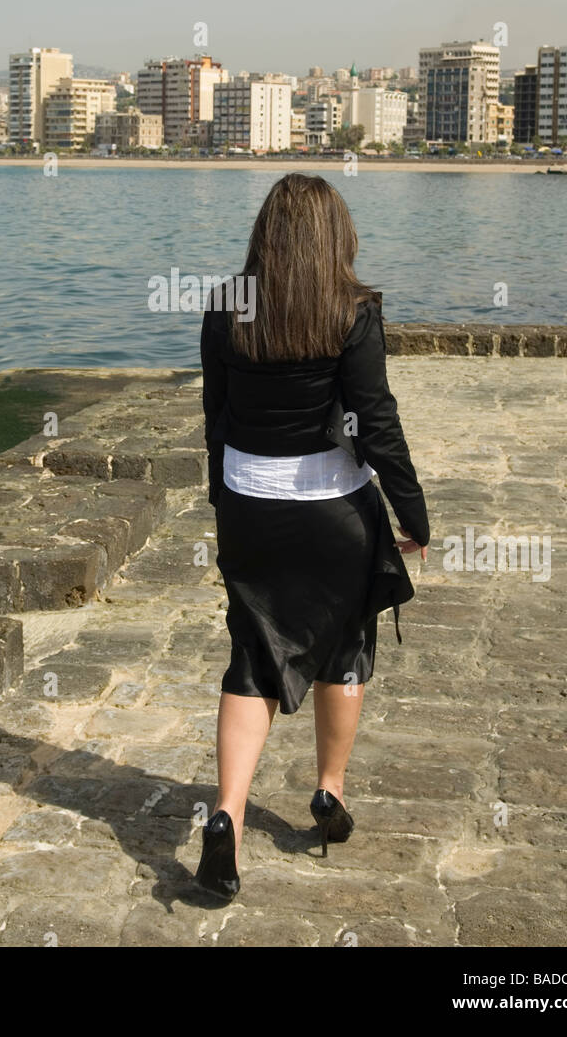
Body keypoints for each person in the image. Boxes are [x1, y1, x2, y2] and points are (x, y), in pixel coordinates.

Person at [195, 173, 429, 899]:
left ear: (265, 232)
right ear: (338, 235)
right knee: (345, 644)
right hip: (334, 509)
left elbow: (217, 419)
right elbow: (375, 419)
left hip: (249, 504)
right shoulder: (355, 310)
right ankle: (328, 792)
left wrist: (221, 503)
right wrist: (412, 511)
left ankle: (227, 816)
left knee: (253, 657)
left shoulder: (226, 306)